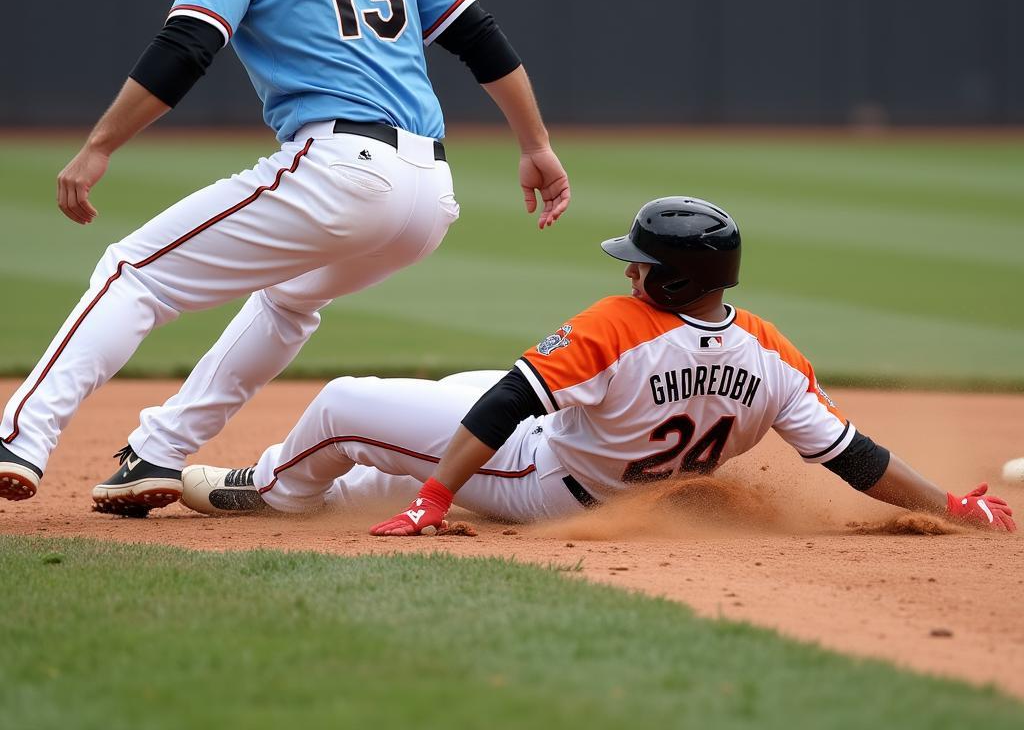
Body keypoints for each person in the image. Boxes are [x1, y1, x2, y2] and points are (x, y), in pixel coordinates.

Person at [0, 0, 570, 516]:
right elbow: (478, 37)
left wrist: (99, 145)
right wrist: (535, 144)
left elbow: (189, 43)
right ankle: (157, 454)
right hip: (429, 194)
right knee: (288, 304)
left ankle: (20, 437)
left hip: (340, 168)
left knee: (134, 273)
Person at [177, 197, 1015, 535]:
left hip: (543, 482)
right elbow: (858, 460)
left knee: (344, 403)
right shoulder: (772, 351)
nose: (628, 270)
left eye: (642, 262)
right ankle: (359, 493)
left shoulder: (617, 325)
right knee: (454, 393)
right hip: (600, 466)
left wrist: (435, 502)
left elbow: (510, 405)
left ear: (672, 277)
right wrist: (951, 506)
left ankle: (279, 492)